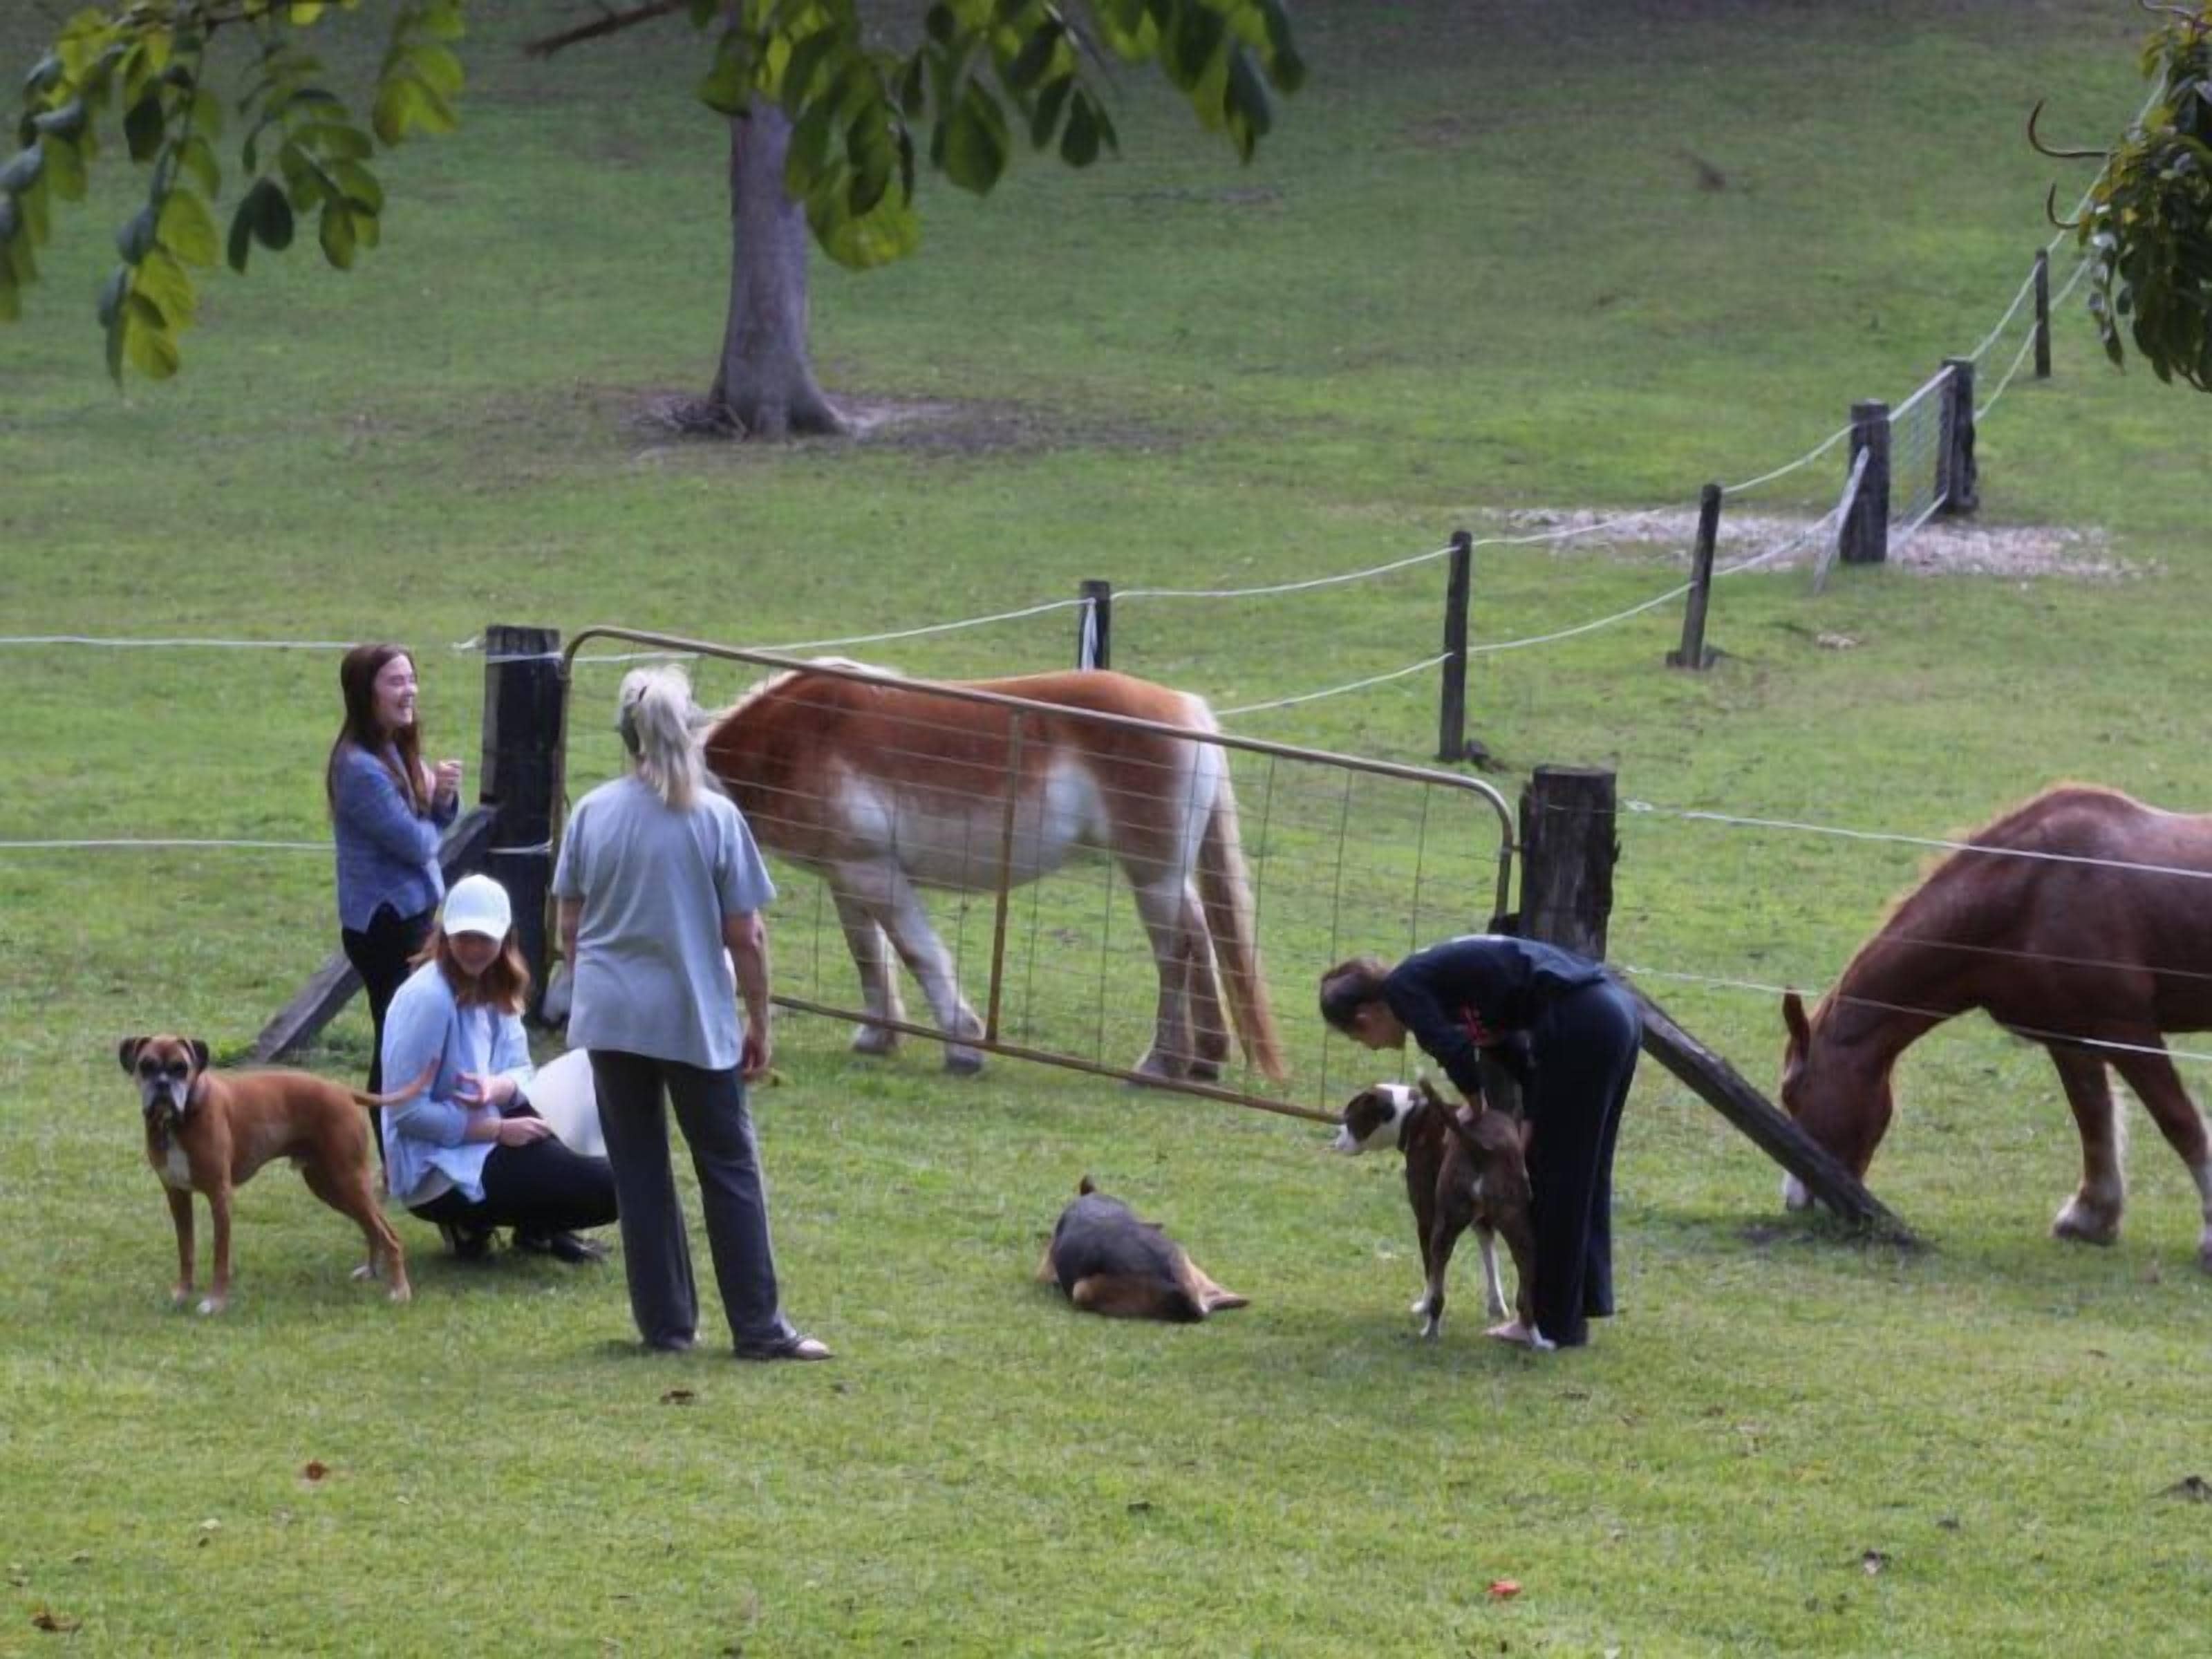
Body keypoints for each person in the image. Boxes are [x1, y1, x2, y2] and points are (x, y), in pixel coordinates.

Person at [552, 664, 830, 1362]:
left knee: (641, 1170)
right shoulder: (713, 818)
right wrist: (759, 1018)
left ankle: (666, 1326)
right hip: (690, 1019)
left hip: (612, 1020)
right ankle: (759, 1328)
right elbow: (748, 935)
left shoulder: (591, 812)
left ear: (626, 735)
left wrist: (600, 987)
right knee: (728, 1166)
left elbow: (569, 927)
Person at [1319, 931, 1641, 1351]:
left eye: (1359, 1039)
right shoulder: (1445, 984)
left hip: (1581, 1023)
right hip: (1613, 1014)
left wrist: (1473, 1105)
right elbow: (1520, 1059)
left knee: (1559, 1181)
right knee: (1584, 1174)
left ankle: (1549, 1324)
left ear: (1365, 1018)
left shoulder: (1405, 990)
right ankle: (1579, 1305)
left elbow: (1452, 1049)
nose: (1371, 1048)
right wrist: (1531, 1125)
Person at [380, 874, 618, 1264]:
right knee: (610, 1186)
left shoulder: (497, 983)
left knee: (601, 1127)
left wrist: (499, 1088)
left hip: (488, 1124)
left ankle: (539, 1227)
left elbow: (522, 1068)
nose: (474, 949)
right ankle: (468, 1218)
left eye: (485, 939)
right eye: (464, 938)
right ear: (445, 936)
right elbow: (407, 1113)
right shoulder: (429, 999)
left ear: (505, 939)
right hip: (437, 1165)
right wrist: (497, 1130)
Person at [330, 642, 462, 1103]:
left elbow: (421, 821)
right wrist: (441, 812)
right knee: (396, 1040)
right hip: (386, 926)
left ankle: (402, 1150)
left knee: (407, 1033)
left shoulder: (391, 749)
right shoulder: (360, 769)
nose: (410, 690)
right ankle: (393, 1154)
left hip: (408, 917)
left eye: (411, 679)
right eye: (396, 681)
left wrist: (440, 795)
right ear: (367, 692)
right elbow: (416, 844)